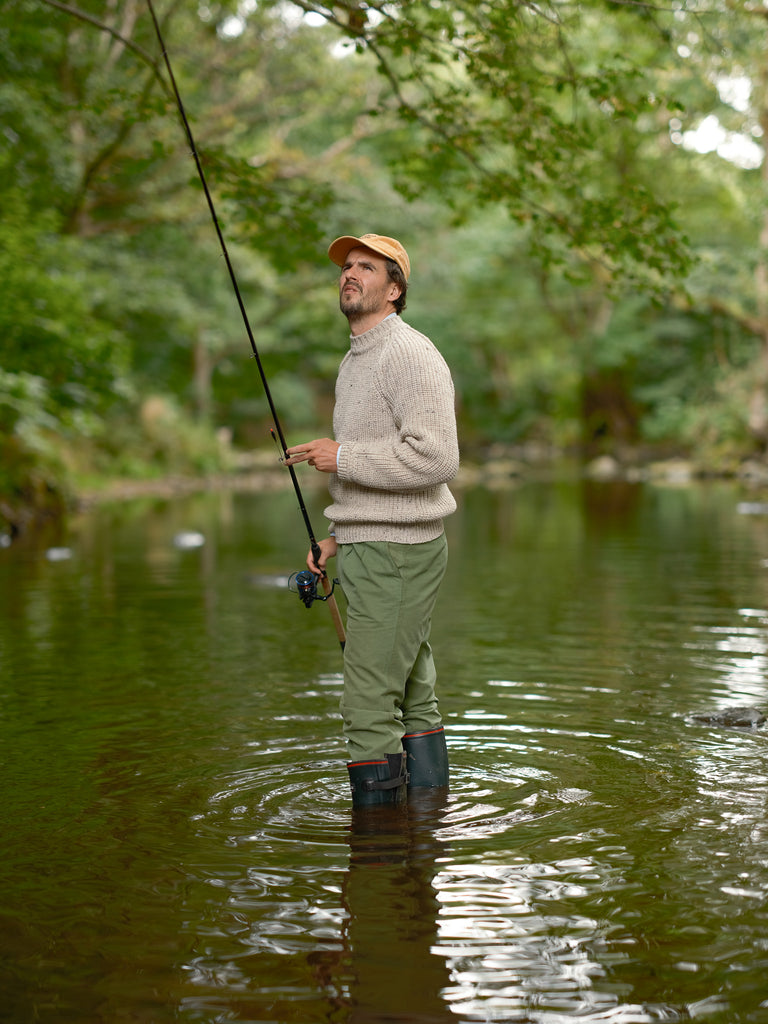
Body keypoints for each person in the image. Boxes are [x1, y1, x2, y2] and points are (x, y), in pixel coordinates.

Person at [285, 233, 459, 806]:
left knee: (366, 705)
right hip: (370, 546)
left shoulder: (409, 353)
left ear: (395, 289)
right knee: (412, 693)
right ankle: (426, 825)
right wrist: (338, 537)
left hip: (398, 554)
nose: (350, 274)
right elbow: (376, 468)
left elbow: (437, 459)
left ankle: (379, 847)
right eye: (346, 266)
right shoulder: (356, 358)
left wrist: (342, 457)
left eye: (367, 267)